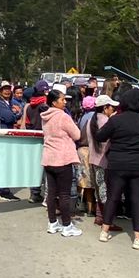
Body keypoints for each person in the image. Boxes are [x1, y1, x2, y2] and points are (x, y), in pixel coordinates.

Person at [93, 87, 139, 248]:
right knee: (137, 199)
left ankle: (104, 231)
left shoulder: (116, 120)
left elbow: (100, 136)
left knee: (113, 196)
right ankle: (137, 237)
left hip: (117, 163)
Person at [39, 89, 85, 237]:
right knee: (64, 194)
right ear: (54, 102)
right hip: (62, 158)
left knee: (51, 193)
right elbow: (77, 134)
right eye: (62, 99)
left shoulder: (45, 116)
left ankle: (52, 223)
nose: (65, 102)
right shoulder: (63, 117)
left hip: (49, 158)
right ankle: (67, 225)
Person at [0, 83, 25, 199]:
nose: (7, 92)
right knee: (3, 163)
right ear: (0, 91)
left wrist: (15, 114)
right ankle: (2, 190)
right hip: (1, 137)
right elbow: (9, 117)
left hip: (7, 136)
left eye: (9, 90)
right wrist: (17, 114)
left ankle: (4, 189)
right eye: (4, 90)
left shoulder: (7, 103)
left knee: (6, 163)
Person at [84, 93, 115, 216]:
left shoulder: (92, 119)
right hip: (104, 160)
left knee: (99, 188)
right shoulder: (105, 121)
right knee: (105, 189)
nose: (113, 109)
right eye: (111, 107)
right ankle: (105, 217)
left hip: (94, 158)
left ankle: (99, 215)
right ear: (105, 108)